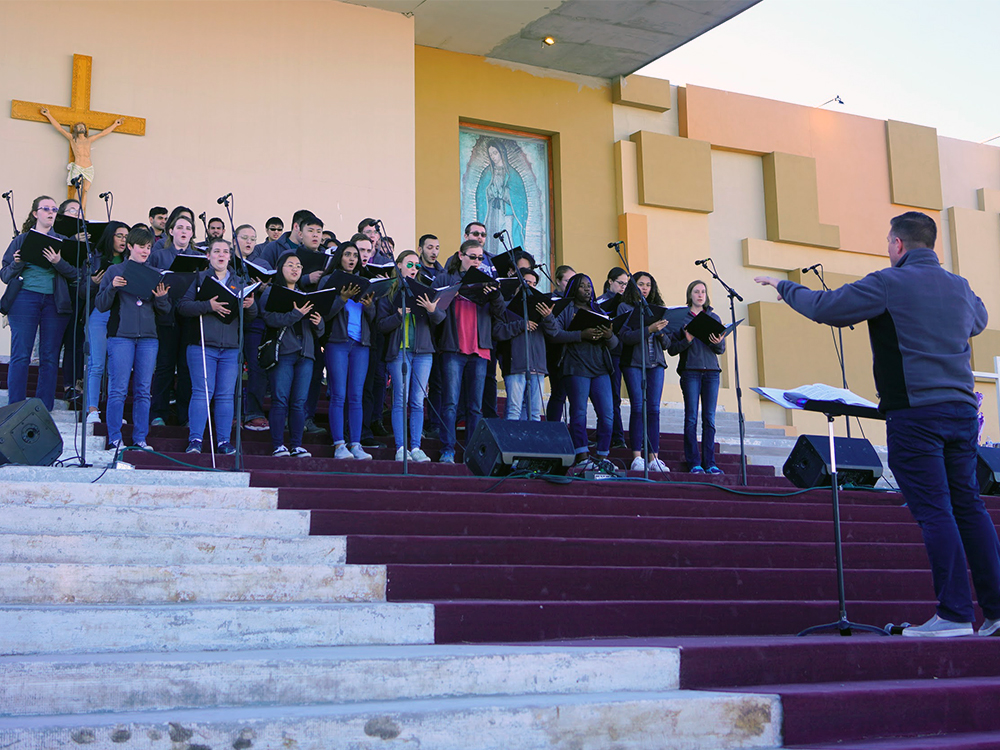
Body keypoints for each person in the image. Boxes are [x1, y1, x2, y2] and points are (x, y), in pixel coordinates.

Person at [755, 211, 1000, 638]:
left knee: (936, 510)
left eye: (889, 243)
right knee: (969, 507)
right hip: (962, 413)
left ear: (898, 245)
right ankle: (996, 612)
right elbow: (977, 321)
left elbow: (827, 308)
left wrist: (785, 287)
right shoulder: (959, 286)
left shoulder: (890, 281)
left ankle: (956, 615)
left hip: (915, 412)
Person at [178, 239, 257, 455]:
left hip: (230, 347)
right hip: (202, 345)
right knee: (202, 392)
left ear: (230, 257)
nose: (221, 255)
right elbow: (183, 307)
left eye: (225, 252)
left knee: (225, 395)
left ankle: (223, 441)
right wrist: (208, 306)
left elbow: (251, 316)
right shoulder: (199, 279)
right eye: (217, 251)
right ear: (208, 256)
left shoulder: (239, 281)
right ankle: (195, 439)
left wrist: (249, 306)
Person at [95, 226, 170, 451]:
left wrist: (162, 298)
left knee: (143, 390)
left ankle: (140, 438)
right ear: (130, 246)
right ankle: (114, 437)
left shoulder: (155, 273)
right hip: (121, 336)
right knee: (118, 389)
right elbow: (100, 304)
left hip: (148, 337)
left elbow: (164, 311)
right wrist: (111, 287)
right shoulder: (115, 270)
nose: (146, 251)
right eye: (141, 247)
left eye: (148, 247)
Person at [1, 196, 78, 410]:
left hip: (55, 301)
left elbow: (75, 274)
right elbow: (5, 275)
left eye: (54, 209)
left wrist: (58, 262)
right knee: (21, 354)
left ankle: (43, 408)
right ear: (36, 213)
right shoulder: (22, 239)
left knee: (50, 356)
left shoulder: (63, 241)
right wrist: (18, 262)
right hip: (24, 298)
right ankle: (15, 406)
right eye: (46, 209)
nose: (51, 213)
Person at [434, 240, 506, 463]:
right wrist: (451, 294)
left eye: (480, 258)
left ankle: (472, 453)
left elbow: (500, 312)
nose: (476, 261)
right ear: (461, 255)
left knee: (475, 407)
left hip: (479, 348)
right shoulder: (445, 278)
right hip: (453, 347)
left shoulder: (487, 281)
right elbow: (433, 310)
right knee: (451, 403)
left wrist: (494, 295)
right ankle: (448, 449)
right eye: (472, 256)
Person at [541, 273, 618, 470]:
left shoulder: (598, 310)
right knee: (579, 412)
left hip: (600, 367)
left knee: (607, 414)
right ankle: (582, 455)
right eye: (583, 286)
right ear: (574, 289)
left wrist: (609, 335)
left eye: (589, 286)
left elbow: (615, 344)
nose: (587, 290)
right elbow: (555, 334)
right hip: (575, 366)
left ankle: (602, 456)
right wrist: (581, 334)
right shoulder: (566, 309)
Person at [377, 249, 444, 461]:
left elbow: (440, 319)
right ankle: (401, 447)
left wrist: (432, 309)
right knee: (400, 399)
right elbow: (381, 325)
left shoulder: (425, 290)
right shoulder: (389, 292)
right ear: (398, 265)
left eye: (417, 265)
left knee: (417, 400)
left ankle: (416, 447)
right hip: (399, 352)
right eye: (409, 264)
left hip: (423, 352)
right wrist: (397, 316)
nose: (414, 269)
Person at [259, 251, 324, 458]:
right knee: (280, 399)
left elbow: (320, 330)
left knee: (299, 402)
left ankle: (296, 444)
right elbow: (269, 319)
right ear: (280, 268)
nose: (295, 269)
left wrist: (319, 323)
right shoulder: (272, 292)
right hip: (283, 352)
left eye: (298, 266)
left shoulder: (307, 294)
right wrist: (296, 314)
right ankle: (278, 445)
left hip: (306, 353)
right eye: (290, 265)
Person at [321, 242, 376, 460]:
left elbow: (374, 319)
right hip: (337, 341)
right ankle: (339, 445)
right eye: (348, 255)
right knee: (338, 394)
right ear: (339, 257)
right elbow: (323, 313)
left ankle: (356, 444)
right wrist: (341, 298)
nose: (352, 259)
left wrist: (370, 305)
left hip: (360, 344)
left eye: (356, 255)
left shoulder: (366, 283)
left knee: (356, 395)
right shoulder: (329, 281)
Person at [668, 279, 725, 474]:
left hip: (711, 372)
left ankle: (710, 462)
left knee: (709, 418)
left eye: (703, 291)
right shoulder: (682, 318)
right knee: (691, 417)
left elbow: (721, 349)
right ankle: (694, 462)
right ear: (689, 295)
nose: (700, 295)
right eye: (696, 292)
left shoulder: (714, 317)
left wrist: (718, 342)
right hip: (690, 371)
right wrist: (687, 340)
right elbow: (672, 349)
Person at [618, 272, 670, 472]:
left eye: (648, 285)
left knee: (654, 410)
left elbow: (667, 344)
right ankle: (637, 457)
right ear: (634, 286)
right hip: (634, 364)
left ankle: (654, 458)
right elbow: (625, 337)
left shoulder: (659, 310)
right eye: (641, 284)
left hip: (656, 364)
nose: (645, 288)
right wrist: (649, 329)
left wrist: (660, 331)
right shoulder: (626, 308)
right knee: (638, 408)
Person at [149, 214, 197, 427]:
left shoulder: (199, 257)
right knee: (165, 366)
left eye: (188, 228)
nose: (184, 231)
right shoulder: (158, 255)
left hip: (189, 319)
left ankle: (184, 415)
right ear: (171, 231)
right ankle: (158, 412)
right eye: (180, 227)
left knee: (187, 368)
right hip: (165, 317)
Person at [84, 220, 130, 423]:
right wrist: (92, 282)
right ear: (110, 236)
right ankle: (92, 409)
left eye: (127, 237)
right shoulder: (95, 258)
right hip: (100, 314)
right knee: (96, 364)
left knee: (117, 366)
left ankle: (113, 412)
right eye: (119, 235)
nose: (123, 240)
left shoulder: (131, 261)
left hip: (121, 315)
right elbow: (81, 289)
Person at [39, 108, 122, 211]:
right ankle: (75, 209)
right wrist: (48, 115)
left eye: (82, 126)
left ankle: (81, 211)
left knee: (85, 190)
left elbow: (103, 133)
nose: (81, 128)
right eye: (78, 127)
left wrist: (115, 124)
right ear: (76, 130)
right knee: (77, 188)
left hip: (89, 167)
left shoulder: (89, 140)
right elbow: (59, 128)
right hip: (78, 166)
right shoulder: (73, 139)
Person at [495, 267, 547, 421]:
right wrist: (520, 325)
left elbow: (553, 332)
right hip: (515, 364)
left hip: (537, 366)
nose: (530, 286)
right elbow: (497, 332)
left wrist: (548, 316)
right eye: (527, 282)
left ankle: (533, 445)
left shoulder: (541, 308)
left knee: (535, 413)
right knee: (514, 410)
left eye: (534, 283)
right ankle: (512, 444)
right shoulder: (505, 306)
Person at [599, 267, 629, 449]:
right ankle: (613, 434)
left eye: (626, 284)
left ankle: (617, 435)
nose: (623, 287)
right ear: (610, 281)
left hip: (622, 350)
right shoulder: (601, 300)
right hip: (606, 352)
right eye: (620, 283)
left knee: (615, 395)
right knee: (608, 396)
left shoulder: (626, 302)